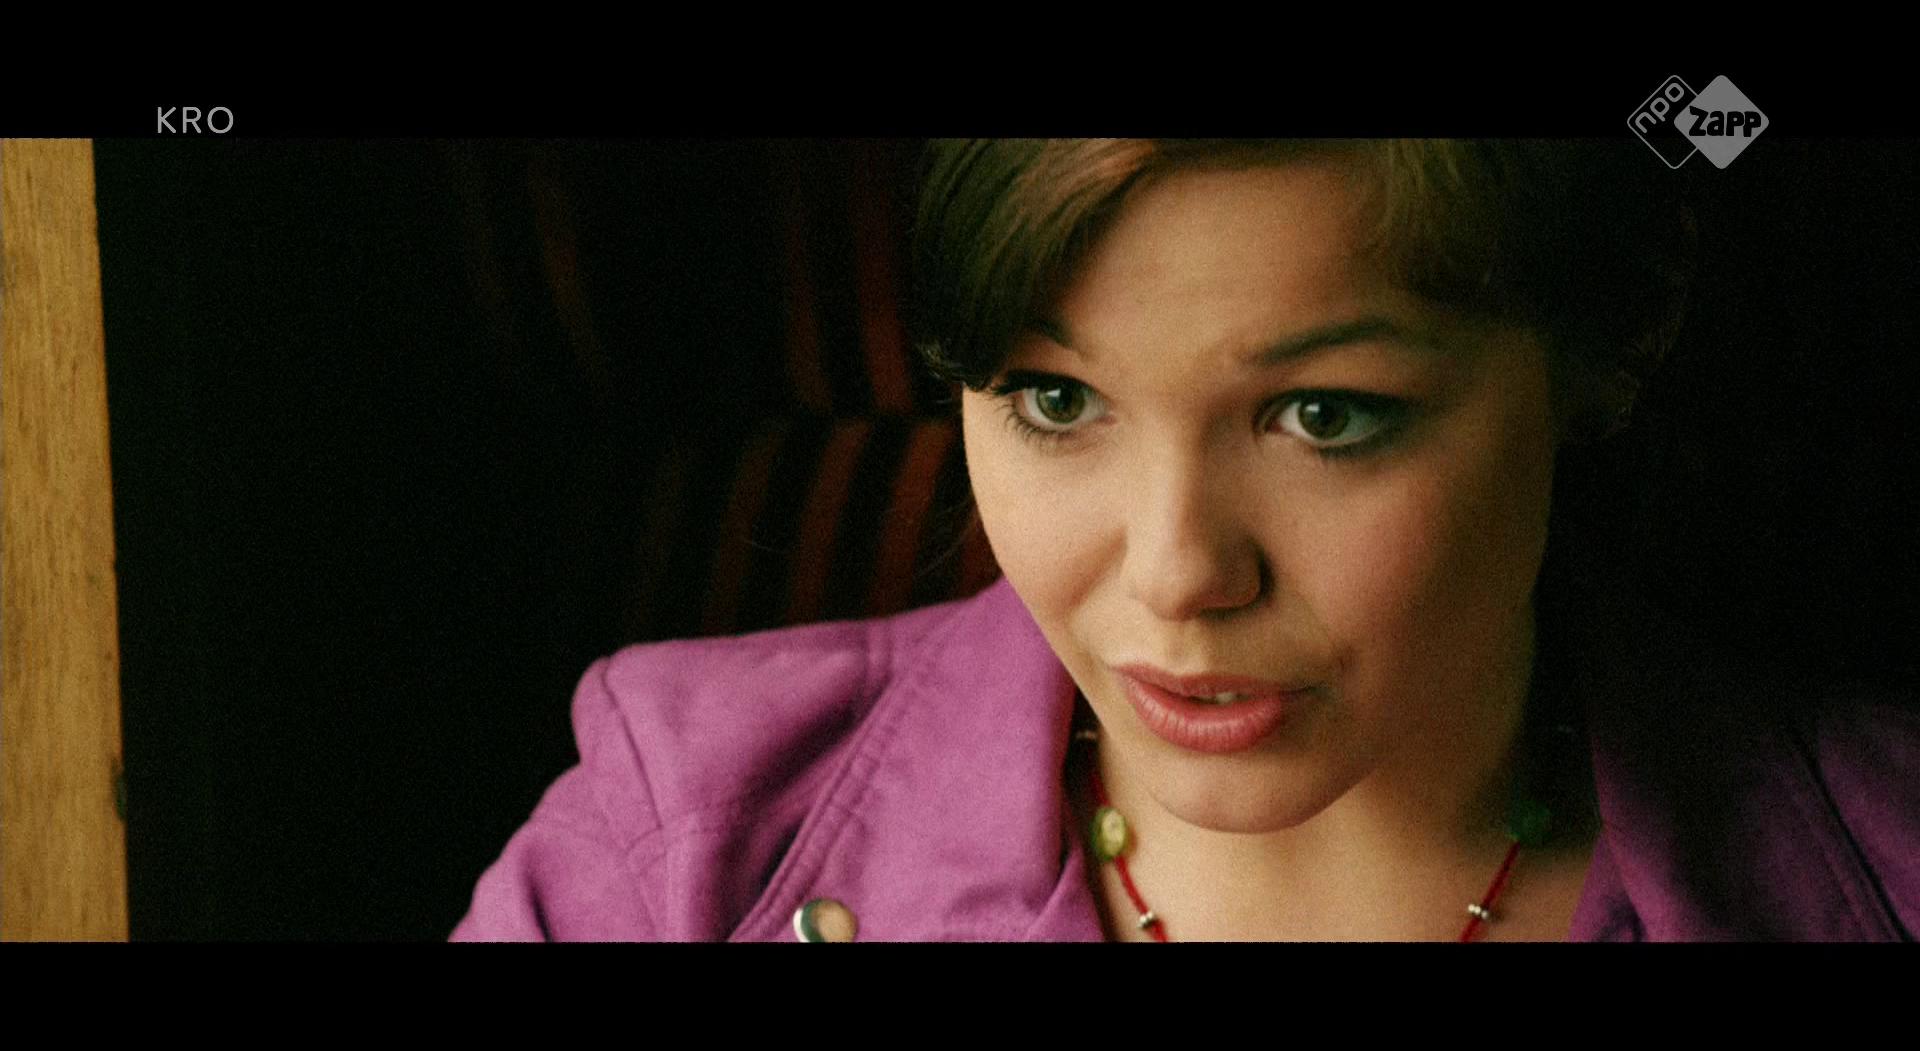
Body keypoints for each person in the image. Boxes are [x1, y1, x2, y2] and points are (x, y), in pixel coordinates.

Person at [452, 140, 1919, 942]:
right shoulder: (679, 847)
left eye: (1325, 417)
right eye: (1055, 399)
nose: (1175, 575)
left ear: (1610, 349)